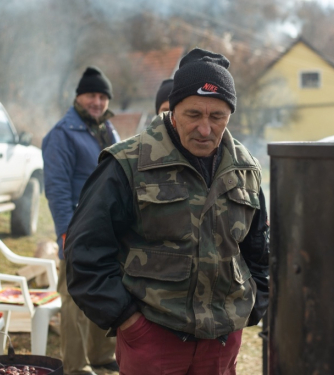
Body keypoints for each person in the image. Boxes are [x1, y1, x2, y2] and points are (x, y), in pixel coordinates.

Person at [65, 49, 269, 375]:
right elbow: (84, 253)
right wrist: (129, 322)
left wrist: (252, 309)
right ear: (172, 111)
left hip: (221, 341)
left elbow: (258, 249)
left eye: (217, 116)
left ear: (230, 114)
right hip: (154, 338)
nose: (205, 129)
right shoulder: (127, 164)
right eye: (193, 114)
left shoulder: (246, 169)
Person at [42, 66, 120, 375]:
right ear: (79, 97)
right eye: (91, 95)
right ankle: (75, 365)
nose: (97, 102)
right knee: (74, 299)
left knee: (105, 291)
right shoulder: (62, 134)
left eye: (102, 96)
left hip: (107, 227)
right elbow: (57, 189)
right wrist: (64, 231)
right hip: (76, 228)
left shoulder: (107, 129)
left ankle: (101, 356)